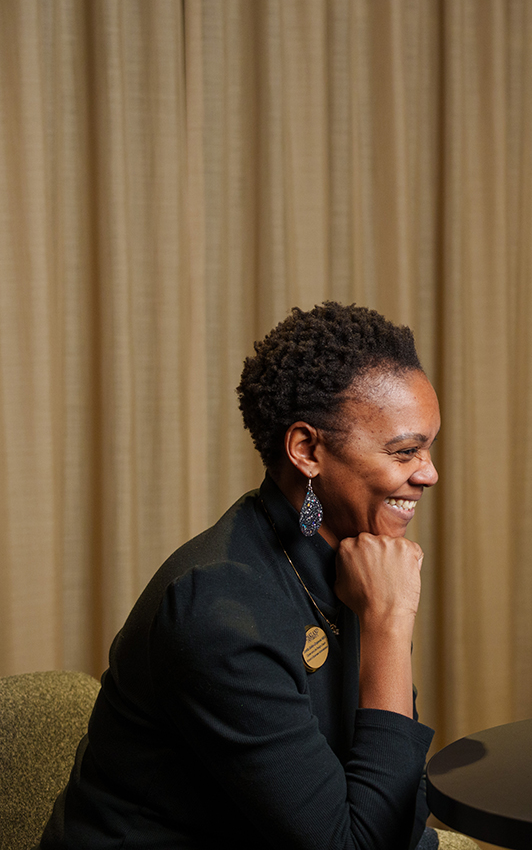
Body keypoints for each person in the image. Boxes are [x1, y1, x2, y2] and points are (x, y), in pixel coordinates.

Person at [43, 302, 446, 850]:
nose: (429, 474)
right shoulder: (216, 610)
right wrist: (391, 623)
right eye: (405, 452)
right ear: (307, 450)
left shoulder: (358, 563)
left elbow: (397, 800)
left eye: (428, 447)